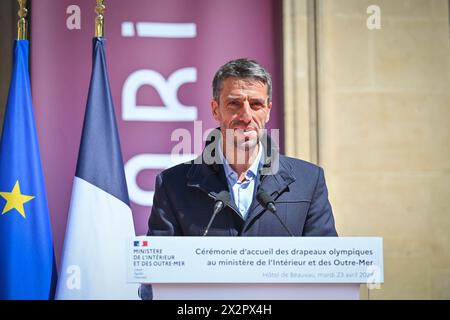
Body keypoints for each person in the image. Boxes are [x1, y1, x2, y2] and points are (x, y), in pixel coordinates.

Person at [147, 58, 337, 237]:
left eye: (256, 104)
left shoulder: (309, 181)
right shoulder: (172, 185)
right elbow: (160, 267)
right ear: (215, 110)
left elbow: (325, 263)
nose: (246, 116)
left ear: (268, 111)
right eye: (234, 104)